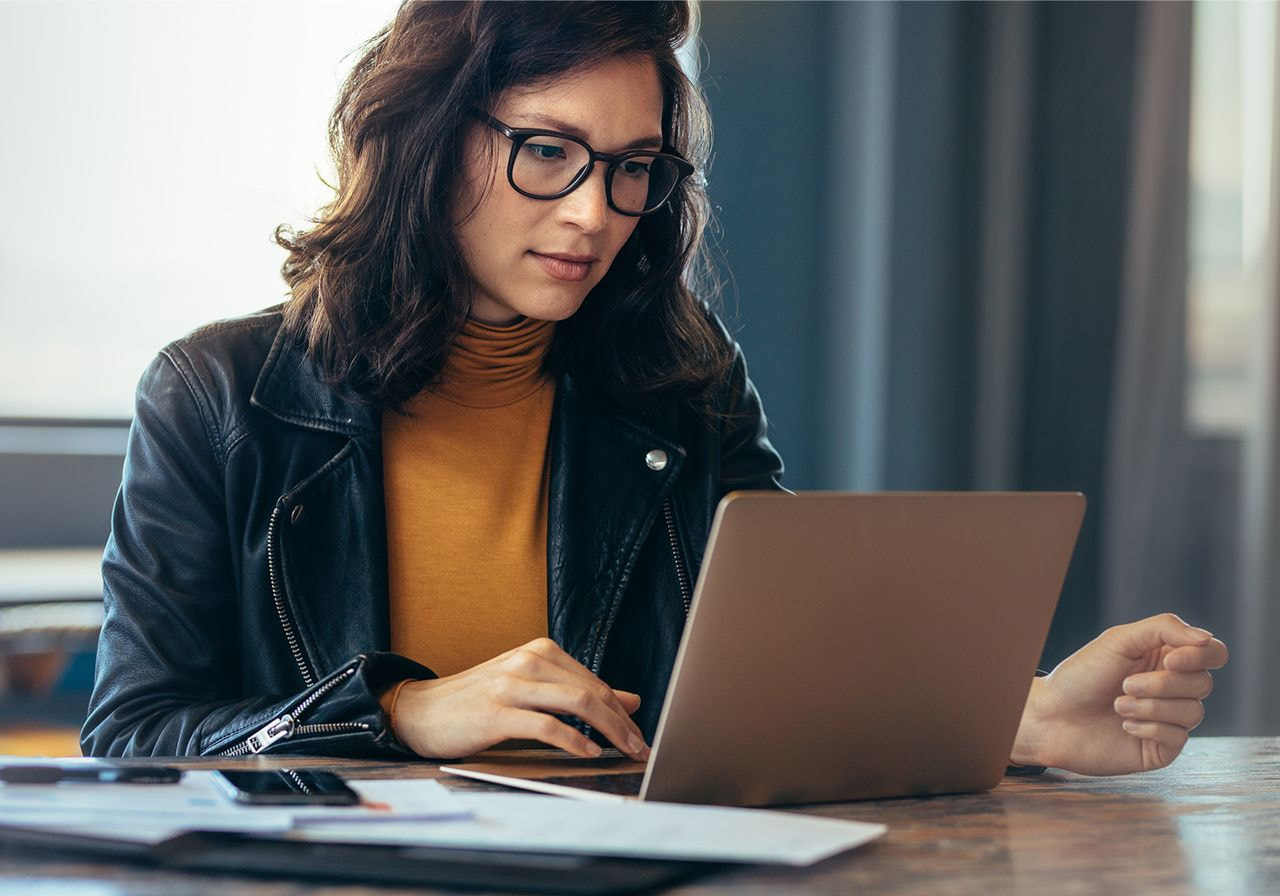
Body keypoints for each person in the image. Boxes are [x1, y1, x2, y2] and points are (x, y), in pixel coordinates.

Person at [81, 0, 1228, 776]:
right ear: (424, 137)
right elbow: (133, 734)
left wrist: (1019, 715)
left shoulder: (678, 376)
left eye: (632, 167)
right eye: (546, 150)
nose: (592, 212)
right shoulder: (219, 394)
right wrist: (396, 713)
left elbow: (783, 670)